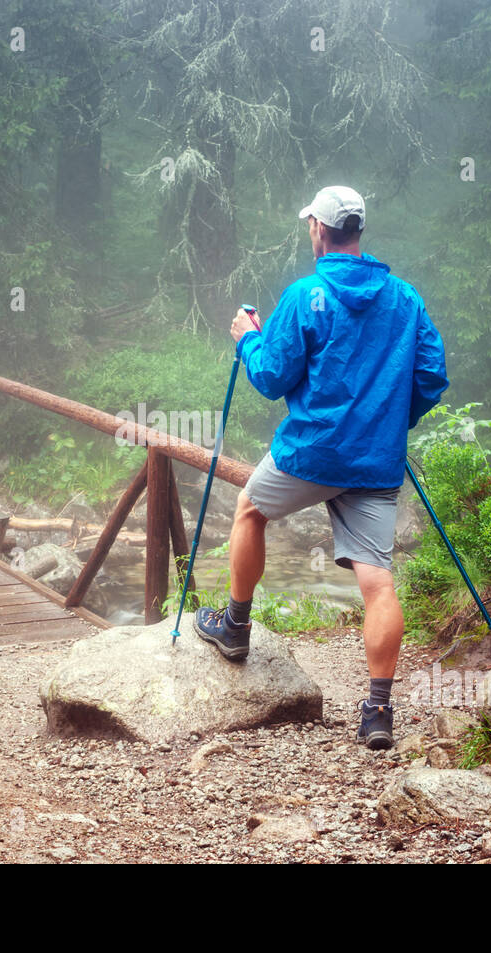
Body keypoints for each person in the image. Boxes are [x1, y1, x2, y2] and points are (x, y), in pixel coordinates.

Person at [193, 185, 448, 751]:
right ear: (358, 230)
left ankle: (235, 627)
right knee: (378, 582)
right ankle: (378, 712)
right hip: (375, 462)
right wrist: (386, 421)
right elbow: (431, 375)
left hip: (311, 453)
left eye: (309, 222)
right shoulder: (404, 298)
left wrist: (247, 339)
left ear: (318, 230)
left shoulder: (307, 294)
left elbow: (271, 379)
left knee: (250, 509)